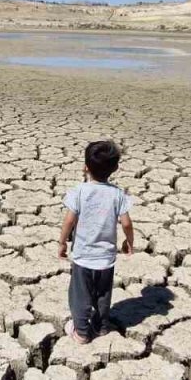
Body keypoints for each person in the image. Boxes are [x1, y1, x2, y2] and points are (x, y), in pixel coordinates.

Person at [57, 140, 135, 344]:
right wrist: (129, 242)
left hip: (83, 257)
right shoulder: (118, 194)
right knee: (103, 294)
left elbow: (69, 220)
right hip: (106, 258)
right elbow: (126, 223)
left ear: (85, 167)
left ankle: (81, 332)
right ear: (115, 168)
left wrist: (62, 242)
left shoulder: (79, 191)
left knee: (80, 295)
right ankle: (100, 327)